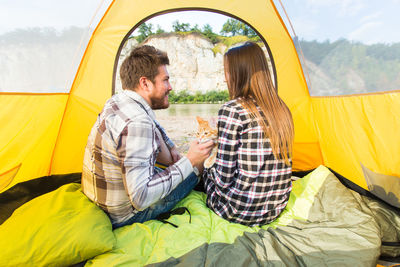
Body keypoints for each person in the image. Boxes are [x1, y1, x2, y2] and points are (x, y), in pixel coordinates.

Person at [81, 45, 214, 229]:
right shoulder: (137, 123)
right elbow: (140, 198)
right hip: (125, 214)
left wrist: (172, 147)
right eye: (165, 80)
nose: (170, 87)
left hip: (105, 198)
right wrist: (190, 161)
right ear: (145, 83)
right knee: (197, 166)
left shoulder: (119, 101)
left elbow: (152, 123)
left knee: (177, 162)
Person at [203, 42, 294, 226]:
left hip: (240, 211)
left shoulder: (232, 110)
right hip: (274, 208)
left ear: (239, 73)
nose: (225, 77)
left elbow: (223, 179)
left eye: (227, 71)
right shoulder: (282, 109)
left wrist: (205, 167)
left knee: (203, 170)